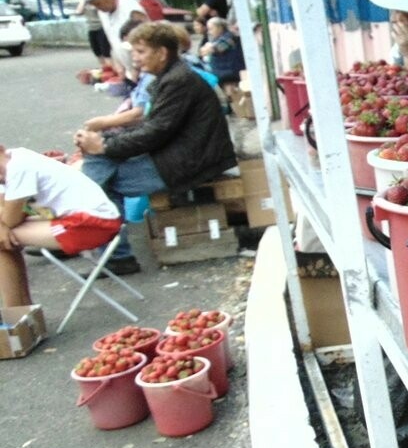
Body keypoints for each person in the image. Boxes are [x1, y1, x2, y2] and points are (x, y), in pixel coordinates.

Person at [73, 22, 236, 275]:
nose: (135, 59)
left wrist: (104, 145)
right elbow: (154, 128)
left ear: (162, 52)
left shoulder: (178, 81)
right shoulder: (172, 77)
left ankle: (97, 239)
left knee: (102, 182)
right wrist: (105, 142)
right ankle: (90, 230)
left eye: (140, 52)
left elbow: (154, 132)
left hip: (190, 161)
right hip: (180, 154)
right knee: (99, 165)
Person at [0, 145, 122, 307]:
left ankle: (16, 318)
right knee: (6, 240)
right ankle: (22, 316)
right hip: (82, 218)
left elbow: (10, 219)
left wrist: (4, 222)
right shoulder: (15, 157)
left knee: (3, 240)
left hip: (94, 223)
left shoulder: (18, 168)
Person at [78, 0, 147, 88]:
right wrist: (117, 64)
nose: (98, 8)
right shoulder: (103, 12)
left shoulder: (132, 10)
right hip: (129, 72)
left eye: (98, 3)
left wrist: (136, 69)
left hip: (144, 73)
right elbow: (113, 39)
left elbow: (150, 44)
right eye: (94, 5)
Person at [198, 17, 246, 99]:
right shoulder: (219, 38)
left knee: (233, 98)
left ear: (219, 28)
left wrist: (208, 48)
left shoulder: (229, 37)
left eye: (211, 29)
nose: (209, 32)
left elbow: (218, 48)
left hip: (229, 74)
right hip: (224, 73)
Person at [75, 0, 112, 69]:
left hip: (101, 27)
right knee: (97, 52)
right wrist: (83, 1)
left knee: (105, 52)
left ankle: (110, 69)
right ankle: (103, 68)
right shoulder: (84, 3)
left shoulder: (97, 0)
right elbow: (78, 12)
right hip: (91, 28)